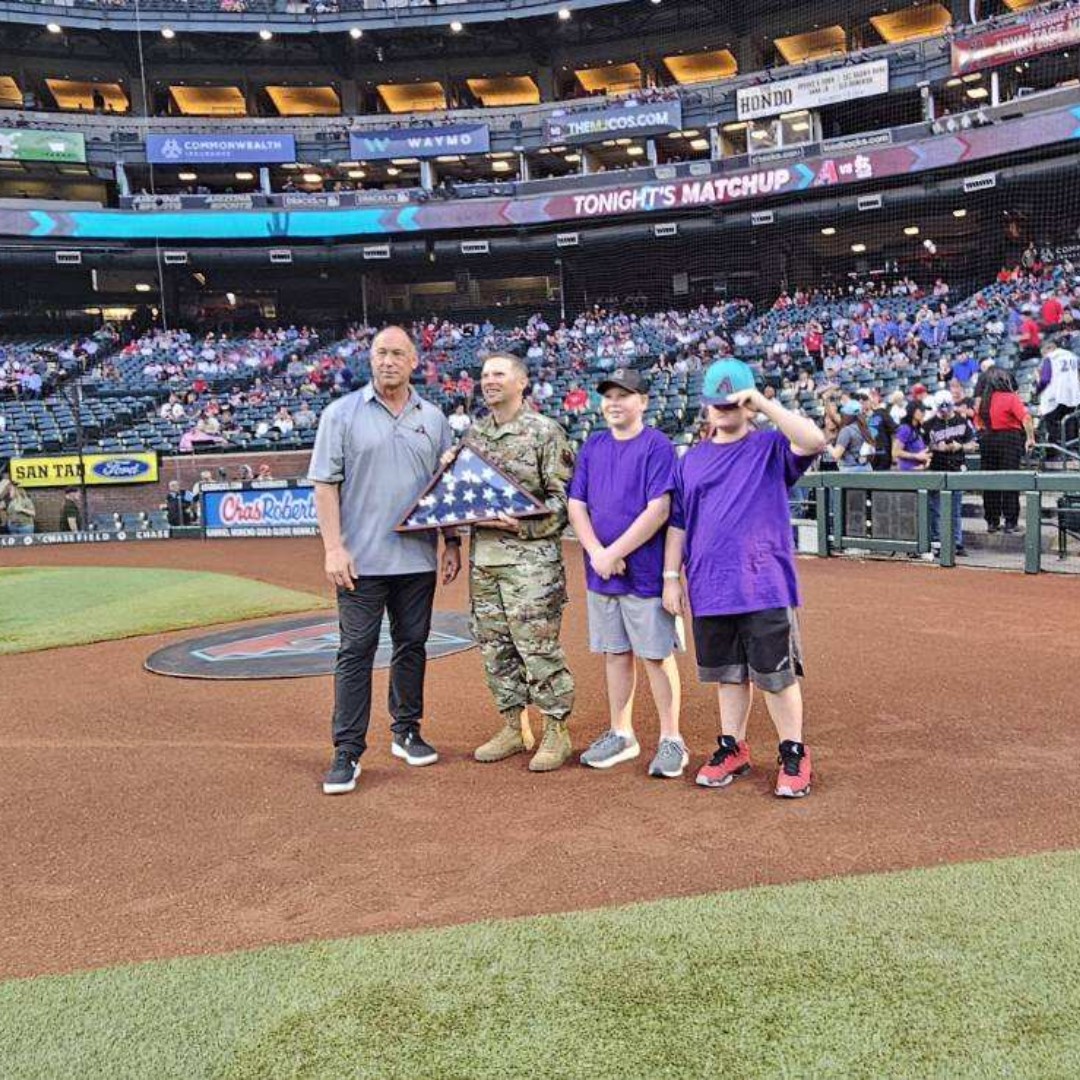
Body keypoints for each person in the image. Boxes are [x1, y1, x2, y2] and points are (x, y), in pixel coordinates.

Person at [661, 358, 826, 799]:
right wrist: (670, 576)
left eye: (733, 404)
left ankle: (793, 751)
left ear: (747, 406)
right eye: (717, 404)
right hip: (710, 586)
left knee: (775, 674)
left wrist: (764, 404)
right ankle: (732, 746)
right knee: (728, 674)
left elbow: (815, 439)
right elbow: (678, 523)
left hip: (764, 582)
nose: (723, 411)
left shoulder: (771, 448)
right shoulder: (690, 461)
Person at [309, 326, 459, 796]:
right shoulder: (341, 414)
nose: (387, 361)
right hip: (360, 560)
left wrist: (451, 541)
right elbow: (324, 483)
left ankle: (407, 730)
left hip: (417, 559)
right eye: (380, 353)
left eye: (397, 353)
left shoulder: (433, 418)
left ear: (414, 361)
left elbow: (445, 486)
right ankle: (347, 750)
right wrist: (333, 547)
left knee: (412, 645)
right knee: (355, 652)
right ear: (370, 360)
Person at [567, 368, 686, 778]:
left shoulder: (657, 446)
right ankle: (622, 732)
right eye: (608, 396)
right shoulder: (593, 445)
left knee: (655, 655)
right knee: (615, 654)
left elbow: (659, 510)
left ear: (643, 402)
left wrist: (613, 551)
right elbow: (576, 504)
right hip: (602, 574)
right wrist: (598, 554)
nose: (614, 403)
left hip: (645, 572)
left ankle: (672, 738)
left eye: (624, 395)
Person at [464, 353, 576, 772]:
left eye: (499, 374)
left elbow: (564, 501)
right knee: (496, 648)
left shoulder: (545, 432)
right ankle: (513, 726)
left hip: (532, 563)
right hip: (485, 562)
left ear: (522, 383)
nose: (489, 381)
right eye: (485, 374)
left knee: (537, 648)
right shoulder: (474, 435)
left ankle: (556, 731)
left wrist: (522, 526)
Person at [976, 367, 1036, 534]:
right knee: (1011, 480)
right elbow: (1027, 418)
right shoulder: (1011, 398)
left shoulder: (984, 401)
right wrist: (1030, 438)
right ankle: (1010, 522)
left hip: (987, 440)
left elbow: (978, 424)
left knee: (989, 482)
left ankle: (992, 522)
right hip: (1009, 440)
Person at [924, 391, 978, 556]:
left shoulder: (962, 421)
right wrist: (934, 447)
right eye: (941, 409)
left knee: (955, 509)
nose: (944, 412)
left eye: (947, 408)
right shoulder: (929, 424)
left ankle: (957, 543)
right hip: (936, 470)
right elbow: (923, 448)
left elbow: (973, 444)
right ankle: (938, 543)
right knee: (936, 509)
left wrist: (959, 446)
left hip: (955, 468)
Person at [1036, 337, 1080, 459]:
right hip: (1073, 396)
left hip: (1055, 397)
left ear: (1050, 348)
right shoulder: (1073, 356)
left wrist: (1038, 390)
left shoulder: (1051, 358)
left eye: (1044, 353)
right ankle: (1072, 453)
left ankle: (1053, 454)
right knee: (1070, 424)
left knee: (1052, 426)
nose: (1044, 356)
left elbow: (1045, 379)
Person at [828, 398, 875, 472]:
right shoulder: (865, 428)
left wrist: (827, 445)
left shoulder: (846, 431)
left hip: (850, 472)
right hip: (867, 468)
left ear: (848, 416)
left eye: (844, 414)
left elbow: (836, 455)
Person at [892, 402, 932, 472]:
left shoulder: (917, 429)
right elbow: (895, 452)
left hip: (918, 470)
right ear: (912, 411)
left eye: (924, 411)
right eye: (921, 410)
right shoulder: (905, 428)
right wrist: (917, 456)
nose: (924, 413)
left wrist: (925, 458)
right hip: (907, 473)